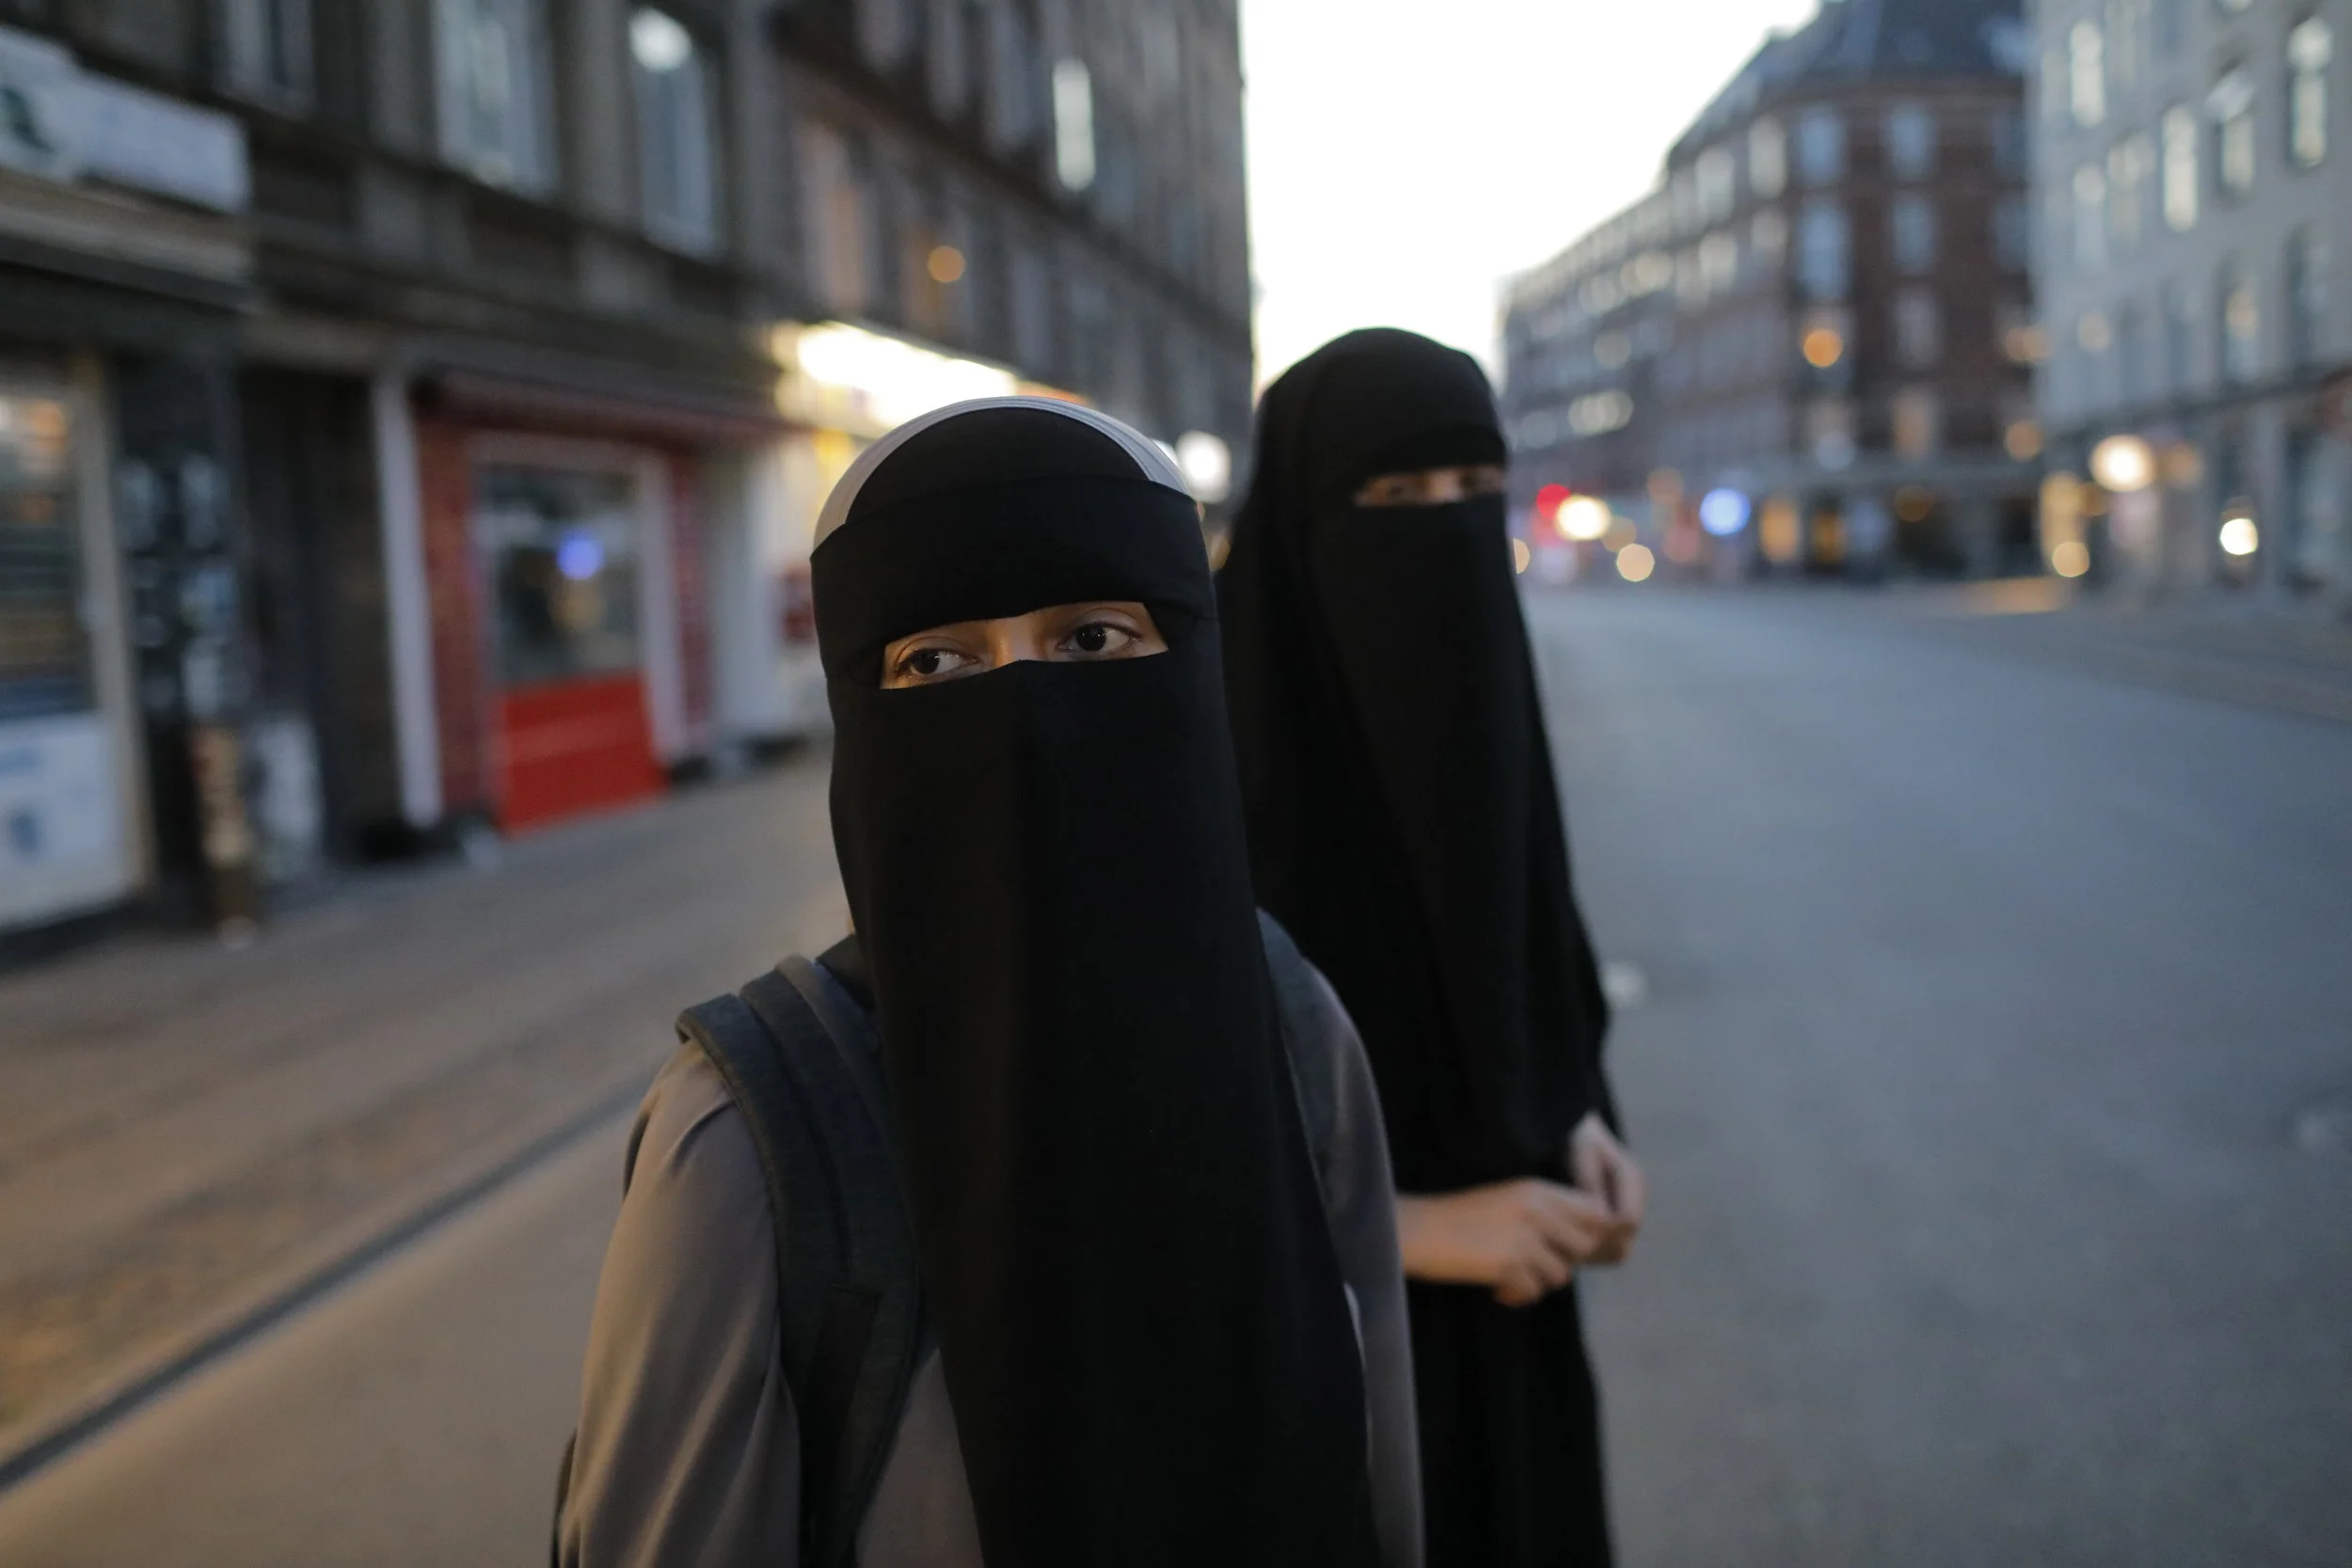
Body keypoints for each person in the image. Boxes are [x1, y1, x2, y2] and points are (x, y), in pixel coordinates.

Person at [556, 398, 1421, 1568]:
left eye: (1093, 640)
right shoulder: (751, 1136)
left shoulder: (1297, 1030)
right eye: (937, 659)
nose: (1022, 714)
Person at [1216, 329, 1645, 1568]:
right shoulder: (1202, 787)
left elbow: (1533, 951)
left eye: (1476, 493)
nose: (1443, 532)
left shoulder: (1491, 713)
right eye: (1397, 497)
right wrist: (1409, 1228)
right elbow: (1145, 1149)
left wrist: (1578, 1116)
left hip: (1521, 1334)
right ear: (1301, 529)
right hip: (1324, 1387)